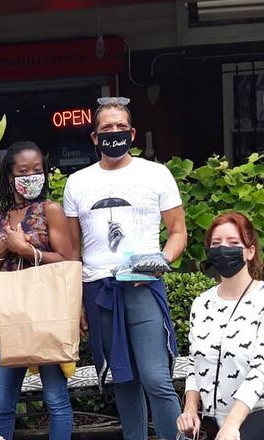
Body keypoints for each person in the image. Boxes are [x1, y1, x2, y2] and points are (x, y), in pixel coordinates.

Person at [63, 97, 187, 440]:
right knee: (124, 381)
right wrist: (75, 304)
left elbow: (178, 232)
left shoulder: (156, 174)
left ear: (132, 133)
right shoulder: (77, 182)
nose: (114, 132)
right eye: (106, 127)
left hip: (143, 284)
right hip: (98, 290)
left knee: (156, 379)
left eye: (121, 126)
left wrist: (161, 261)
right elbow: (73, 251)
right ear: (94, 137)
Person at [177, 212, 264, 440]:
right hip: (218, 419)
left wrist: (232, 424)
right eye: (216, 243)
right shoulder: (201, 303)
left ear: (250, 251)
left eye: (233, 243)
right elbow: (195, 363)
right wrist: (190, 411)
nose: (223, 249)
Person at [0, 141, 76, 440]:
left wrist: (26, 250)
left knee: (56, 400)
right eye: (23, 172)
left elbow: (68, 261)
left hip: (48, 316)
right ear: (10, 175)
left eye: (37, 170)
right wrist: (6, 247)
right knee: (2, 403)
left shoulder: (50, 210)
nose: (32, 177)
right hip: (11, 318)